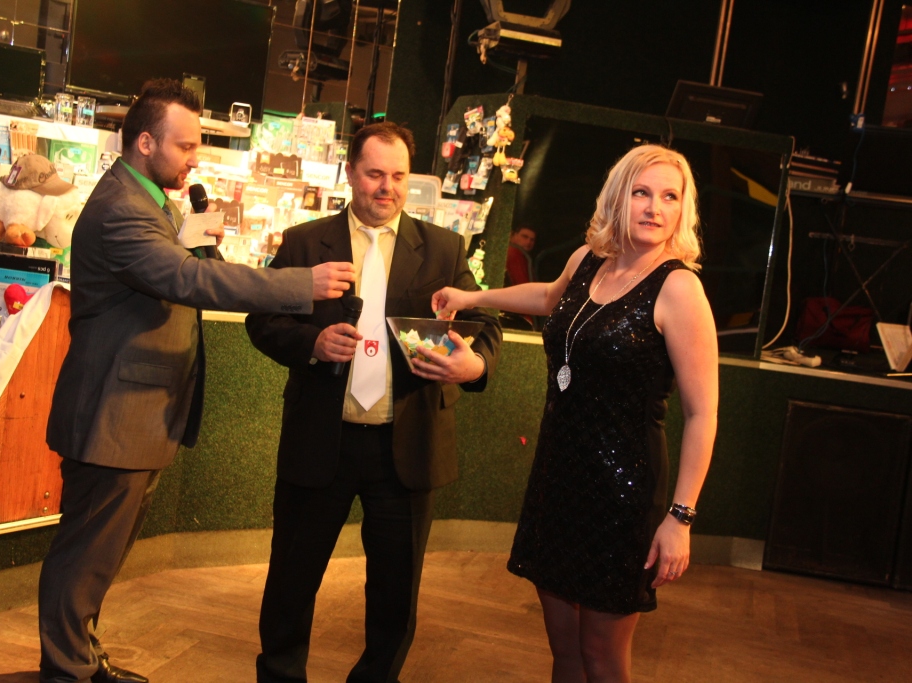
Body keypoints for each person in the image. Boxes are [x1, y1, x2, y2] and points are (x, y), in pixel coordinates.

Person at [39, 79, 355, 683]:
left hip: (137, 415)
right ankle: (66, 670)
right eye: (184, 146)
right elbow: (189, 281)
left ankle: (80, 658)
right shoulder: (121, 209)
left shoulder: (154, 202)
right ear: (145, 142)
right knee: (84, 556)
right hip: (113, 413)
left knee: (101, 555)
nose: (194, 158)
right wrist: (302, 284)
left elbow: (183, 269)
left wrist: (190, 239)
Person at [433, 144, 718, 683]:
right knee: (563, 652)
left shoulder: (680, 287)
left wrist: (680, 519)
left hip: (622, 492)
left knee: (602, 658)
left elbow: (703, 414)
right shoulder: (589, 259)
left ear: (684, 209)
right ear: (617, 197)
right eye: (641, 192)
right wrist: (472, 299)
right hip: (559, 478)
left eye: (670, 196)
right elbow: (549, 298)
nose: (654, 207)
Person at [245, 121, 502, 683]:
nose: (387, 188)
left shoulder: (444, 249)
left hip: (406, 449)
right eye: (375, 174)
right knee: (290, 583)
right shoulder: (304, 243)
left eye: (399, 176)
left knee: (395, 595)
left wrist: (473, 365)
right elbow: (261, 321)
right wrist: (312, 343)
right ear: (350, 173)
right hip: (321, 442)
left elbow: (486, 325)